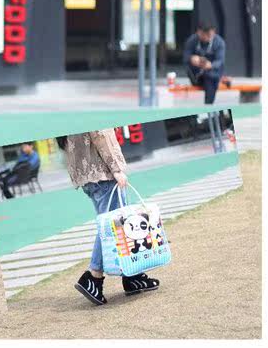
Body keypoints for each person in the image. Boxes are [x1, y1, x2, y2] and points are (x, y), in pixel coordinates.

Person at [57, 130, 160, 306]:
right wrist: (116, 169)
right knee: (111, 227)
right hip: (102, 172)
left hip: (89, 174)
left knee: (112, 225)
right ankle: (93, 276)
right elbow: (100, 134)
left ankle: (131, 276)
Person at [183, 22, 226, 104]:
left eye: (209, 35)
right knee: (209, 79)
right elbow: (186, 57)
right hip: (196, 74)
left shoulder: (219, 42)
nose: (206, 37)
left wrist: (210, 65)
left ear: (213, 32)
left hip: (212, 74)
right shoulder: (192, 40)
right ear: (198, 32)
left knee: (211, 78)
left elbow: (220, 61)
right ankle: (208, 106)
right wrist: (192, 58)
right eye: (204, 34)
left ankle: (208, 105)